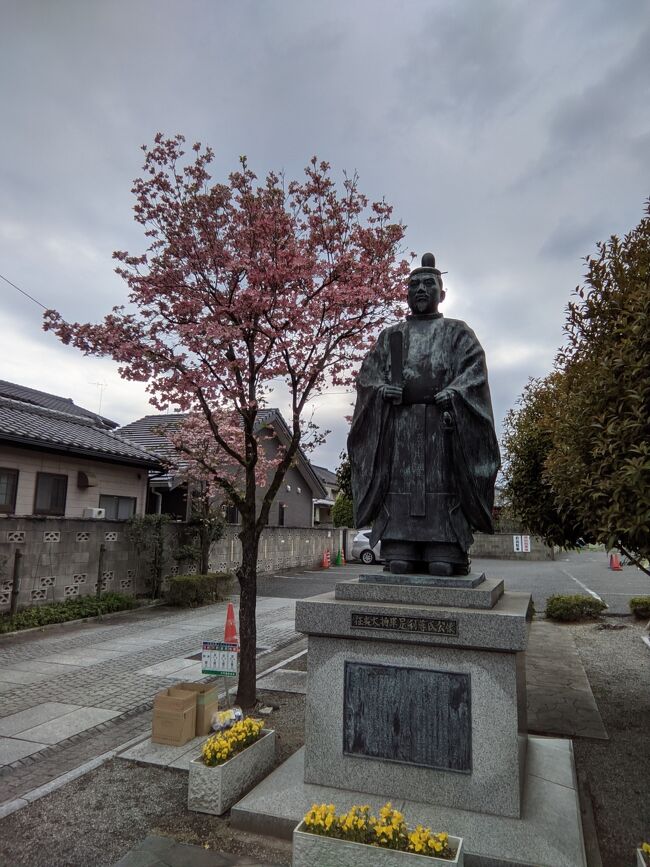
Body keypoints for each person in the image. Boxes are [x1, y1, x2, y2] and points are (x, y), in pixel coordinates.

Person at [348, 253, 500, 576]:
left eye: (427, 284)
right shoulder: (391, 337)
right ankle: (398, 542)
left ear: (442, 294)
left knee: (442, 553)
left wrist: (455, 395)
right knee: (399, 547)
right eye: (413, 284)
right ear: (405, 293)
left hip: (442, 431)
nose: (419, 289)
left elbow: (474, 375)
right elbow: (367, 379)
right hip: (399, 432)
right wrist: (381, 392)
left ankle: (445, 545)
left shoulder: (457, 333)